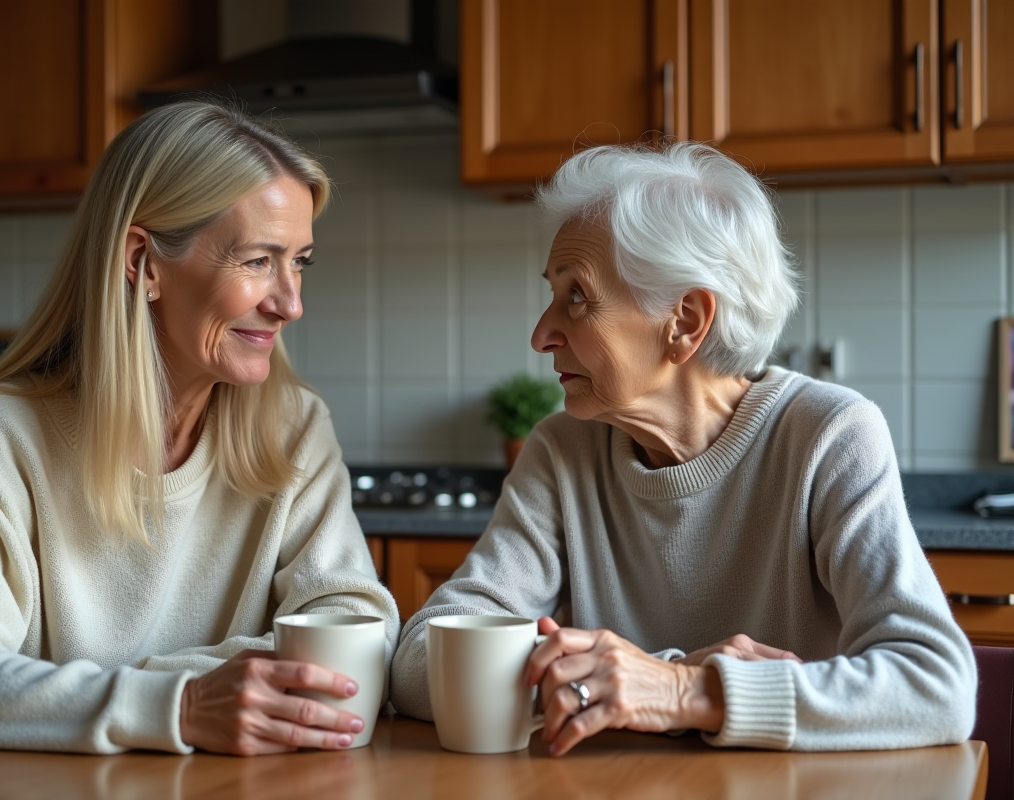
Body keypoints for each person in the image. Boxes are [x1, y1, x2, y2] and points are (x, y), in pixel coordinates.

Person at [390, 142, 975, 754]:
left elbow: (938, 687)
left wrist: (681, 691)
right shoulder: (562, 450)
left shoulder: (829, 436)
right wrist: (637, 680)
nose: (541, 334)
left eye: (577, 297)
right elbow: (416, 660)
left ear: (686, 321)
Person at [0, 101, 399, 756]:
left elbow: (357, 629)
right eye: (259, 261)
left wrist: (75, 698)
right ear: (143, 263)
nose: (291, 303)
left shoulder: (295, 430)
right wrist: (178, 707)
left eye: (300, 261)